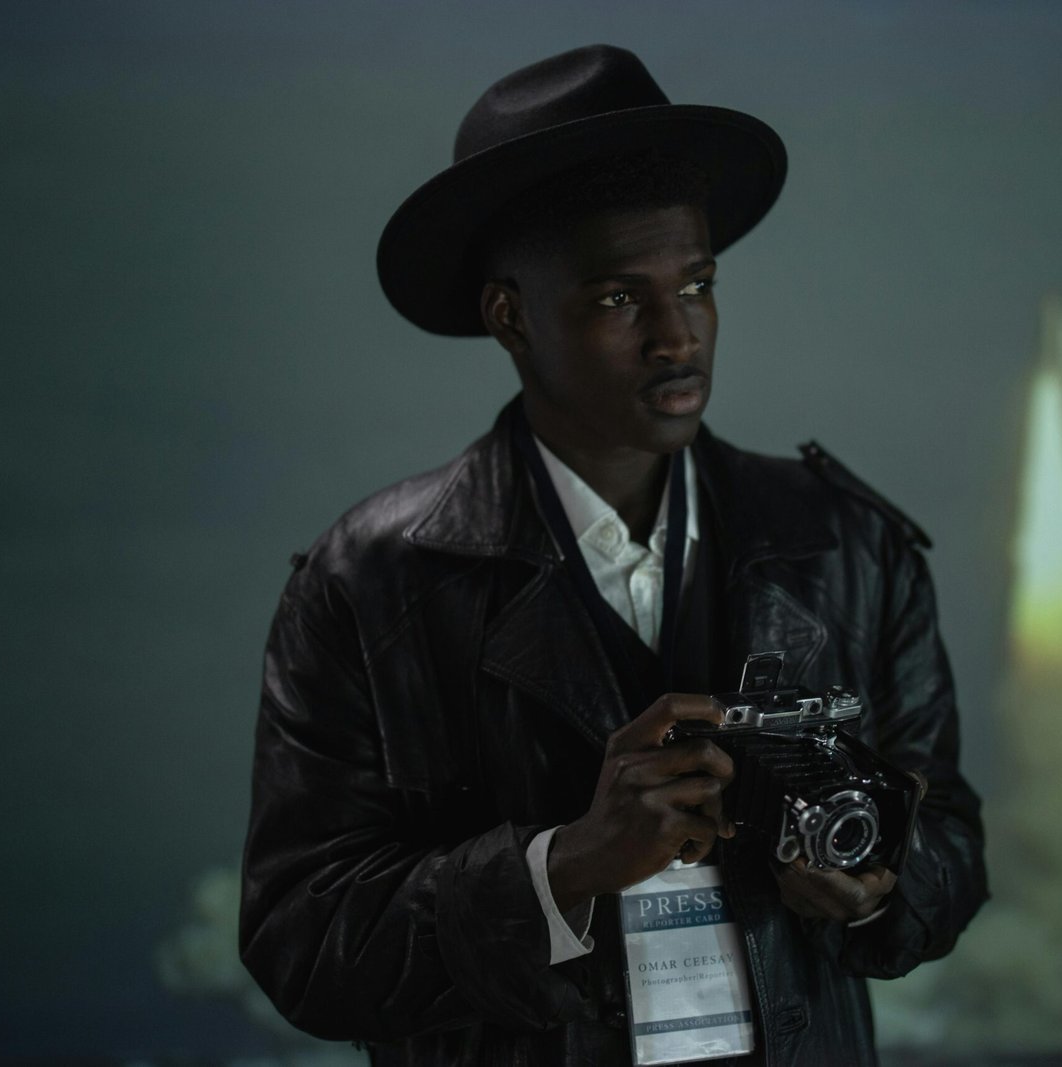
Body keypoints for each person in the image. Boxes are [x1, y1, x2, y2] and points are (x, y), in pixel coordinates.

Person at [240, 44, 986, 1067]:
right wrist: (563, 866)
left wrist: (876, 886)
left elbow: (949, 837)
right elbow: (299, 939)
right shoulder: (367, 582)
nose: (678, 335)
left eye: (698, 281)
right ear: (510, 315)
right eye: (616, 299)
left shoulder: (850, 546)